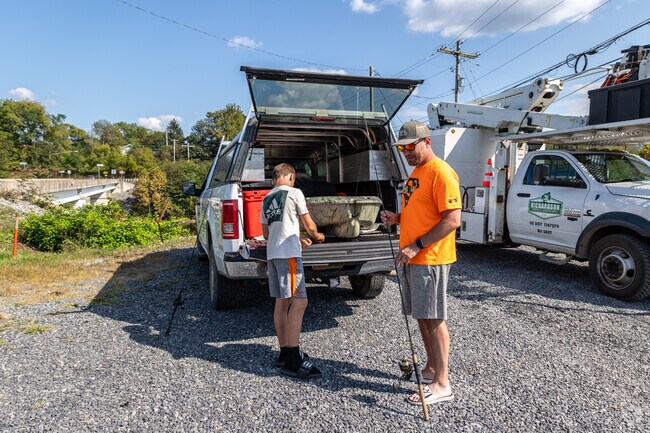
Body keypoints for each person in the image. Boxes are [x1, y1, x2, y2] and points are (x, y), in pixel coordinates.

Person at [380, 120, 461, 405]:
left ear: (427, 141)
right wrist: (397, 218)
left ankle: (442, 383)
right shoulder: (417, 172)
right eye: (402, 148)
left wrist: (417, 246)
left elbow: (452, 219)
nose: (406, 152)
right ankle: (430, 369)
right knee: (423, 316)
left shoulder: (441, 172)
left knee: (435, 318)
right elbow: (422, 211)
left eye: (410, 146)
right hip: (414, 256)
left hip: (430, 257)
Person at [260, 163, 326, 379]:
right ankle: (293, 359)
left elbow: (268, 233)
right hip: (288, 254)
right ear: (290, 176)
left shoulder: (267, 198)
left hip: (273, 253)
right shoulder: (295, 192)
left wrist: (296, 237)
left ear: (274, 178)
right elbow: (309, 224)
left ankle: (284, 352)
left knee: (282, 302)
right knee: (299, 302)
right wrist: (317, 236)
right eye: (293, 178)